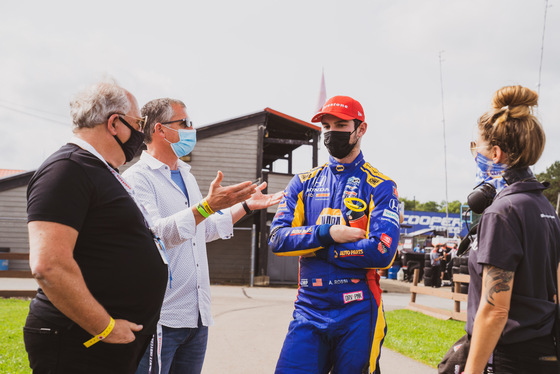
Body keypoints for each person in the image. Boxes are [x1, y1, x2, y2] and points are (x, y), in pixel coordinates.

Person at [122, 98, 282, 374]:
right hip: (163, 318)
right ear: (159, 130)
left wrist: (245, 206)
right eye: (183, 123)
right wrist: (207, 206)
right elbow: (157, 235)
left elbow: (201, 228)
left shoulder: (187, 176)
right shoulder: (138, 179)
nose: (191, 128)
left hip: (196, 318)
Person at [24, 81, 169, 373]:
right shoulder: (67, 169)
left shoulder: (101, 170)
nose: (142, 132)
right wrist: (105, 327)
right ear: (114, 123)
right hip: (82, 340)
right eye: (139, 123)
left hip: (104, 341)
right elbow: (48, 265)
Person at [269, 95, 401, 373]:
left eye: (341, 125)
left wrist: (319, 247)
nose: (331, 133)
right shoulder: (303, 182)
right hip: (308, 307)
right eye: (326, 126)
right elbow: (278, 239)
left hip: (358, 309)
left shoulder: (381, 185)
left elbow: (382, 253)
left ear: (360, 129)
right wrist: (329, 233)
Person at [463, 85, 560, 373]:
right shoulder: (544, 207)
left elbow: (495, 310)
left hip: (508, 357)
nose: (473, 154)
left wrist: (472, 370)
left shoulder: (501, 212)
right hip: (543, 351)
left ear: (495, 153)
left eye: (475, 147)